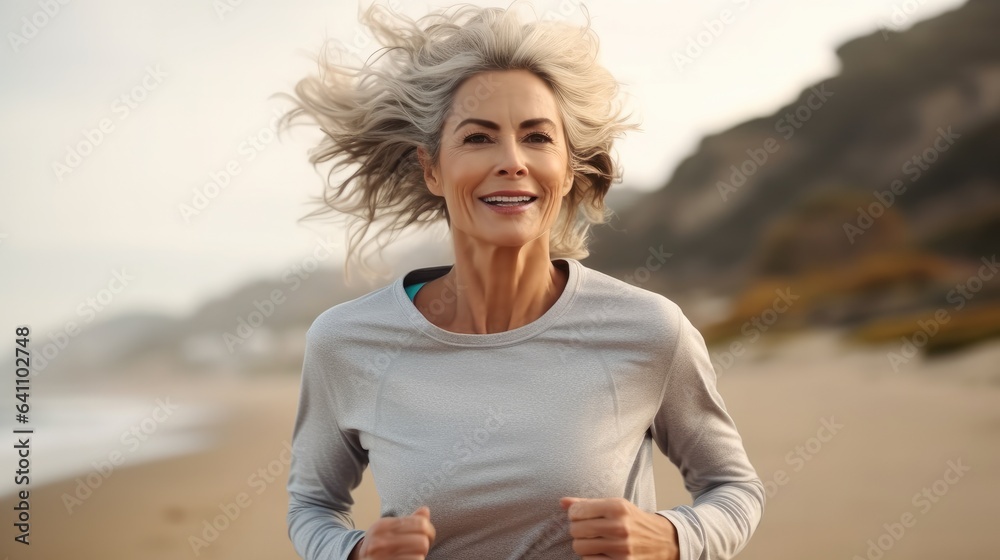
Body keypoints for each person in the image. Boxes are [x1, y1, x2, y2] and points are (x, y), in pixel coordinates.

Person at [278, 3, 765, 559]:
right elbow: (312, 506)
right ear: (432, 168)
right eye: (479, 138)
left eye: (537, 137)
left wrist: (676, 537)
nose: (512, 161)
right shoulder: (346, 342)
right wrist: (354, 553)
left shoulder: (649, 330)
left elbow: (734, 487)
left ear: (568, 167)